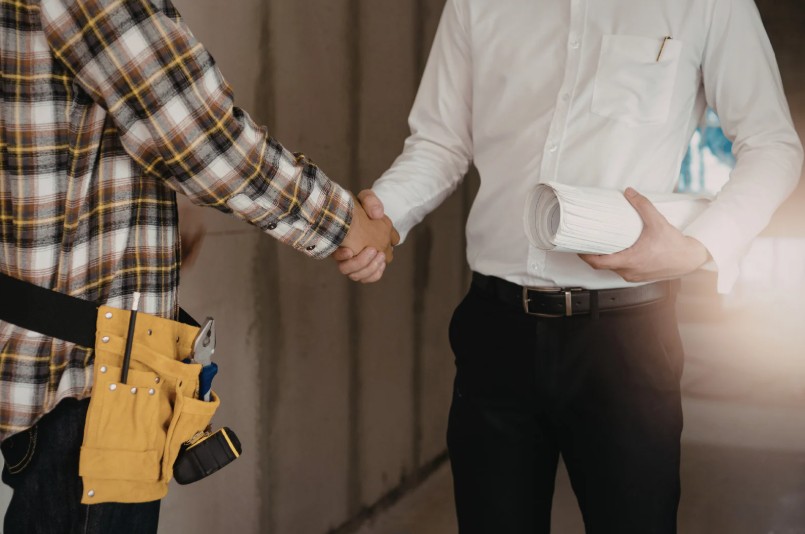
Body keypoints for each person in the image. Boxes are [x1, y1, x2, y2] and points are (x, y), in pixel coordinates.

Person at [336, 0, 803, 532]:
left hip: (626, 343)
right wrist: (384, 216)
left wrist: (698, 247)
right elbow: (441, 142)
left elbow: (772, 145)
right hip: (495, 332)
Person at [0, 0, 396, 532]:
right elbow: (199, 136)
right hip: (89, 386)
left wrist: (152, 218)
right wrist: (347, 224)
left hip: (57, 367)